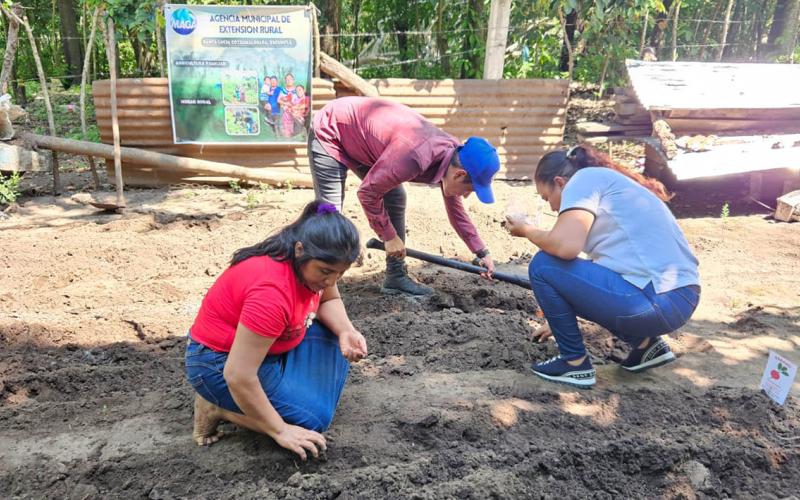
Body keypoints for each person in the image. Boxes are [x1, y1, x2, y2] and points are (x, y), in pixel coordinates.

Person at [505, 144, 700, 389]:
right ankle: (646, 344)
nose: (553, 207)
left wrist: (526, 230)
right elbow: (594, 281)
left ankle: (574, 363)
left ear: (560, 182)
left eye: (548, 197)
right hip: (680, 296)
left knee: (544, 264)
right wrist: (559, 319)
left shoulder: (581, 181)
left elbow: (564, 247)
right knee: (566, 268)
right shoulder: (608, 184)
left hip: (656, 300)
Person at [186, 201, 368, 460]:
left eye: (339, 274)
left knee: (337, 341)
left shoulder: (312, 263)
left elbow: (329, 300)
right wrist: (280, 430)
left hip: (269, 346)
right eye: (326, 272)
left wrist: (345, 330)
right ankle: (217, 407)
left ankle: (278, 392)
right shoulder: (272, 294)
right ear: (300, 249)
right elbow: (238, 374)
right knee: (311, 421)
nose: (330, 282)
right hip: (218, 363)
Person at [309, 96, 500, 296]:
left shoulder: (453, 157)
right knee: (330, 216)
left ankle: (396, 277)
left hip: (366, 142)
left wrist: (481, 252)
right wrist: (389, 236)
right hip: (333, 129)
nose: (467, 196)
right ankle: (317, 287)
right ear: (459, 174)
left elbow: (456, 210)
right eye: (470, 189)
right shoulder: (416, 156)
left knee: (395, 197)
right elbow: (367, 193)